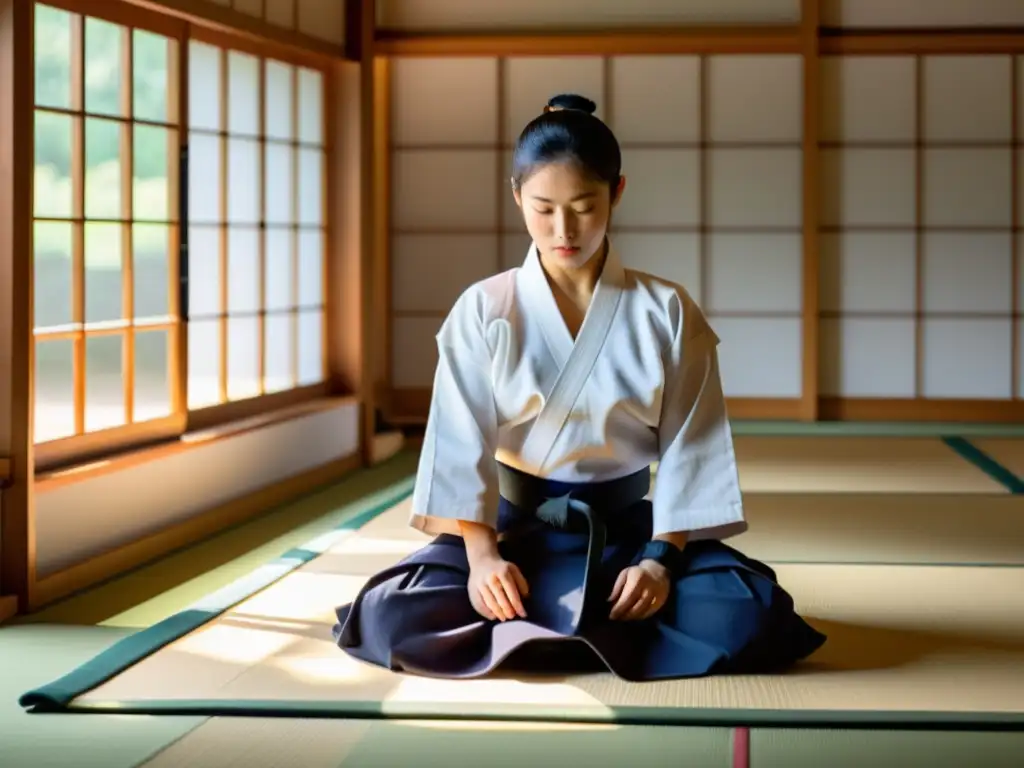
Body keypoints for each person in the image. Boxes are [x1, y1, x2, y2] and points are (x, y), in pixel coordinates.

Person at [332, 93, 826, 681]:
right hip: (515, 535)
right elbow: (458, 447)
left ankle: (545, 633)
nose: (563, 230)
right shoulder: (485, 309)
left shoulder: (664, 310)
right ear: (516, 196)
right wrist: (483, 558)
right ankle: (578, 628)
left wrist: (660, 563)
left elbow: (693, 453)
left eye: (584, 206)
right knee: (392, 617)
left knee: (749, 614)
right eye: (543, 208)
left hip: (627, 539)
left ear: (617, 193)